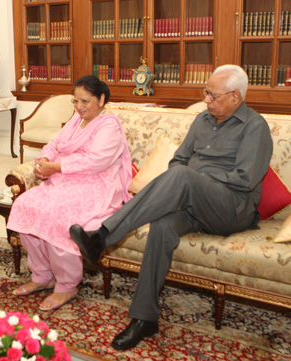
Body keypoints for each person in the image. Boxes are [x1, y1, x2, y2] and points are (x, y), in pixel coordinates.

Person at [70, 65, 272, 350]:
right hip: (194, 204)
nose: (206, 100)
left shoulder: (255, 126)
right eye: (205, 93)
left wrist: (195, 180)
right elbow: (178, 160)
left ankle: (102, 237)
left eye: (213, 95)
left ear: (235, 97)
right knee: (162, 226)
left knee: (183, 177)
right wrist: (189, 183)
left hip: (231, 207)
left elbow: (246, 179)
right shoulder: (202, 120)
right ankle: (144, 318)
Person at [7, 75, 133, 311]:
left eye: (85, 101)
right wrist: (45, 160)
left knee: (59, 215)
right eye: (75, 101)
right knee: (25, 204)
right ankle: (42, 274)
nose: (79, 107)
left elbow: (96, 161)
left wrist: (54, 167)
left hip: (96, 184)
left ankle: (66, 285)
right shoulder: (77, 119)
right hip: (66, 180)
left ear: (102, 99)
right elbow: (54, 143)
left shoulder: (109, 125)